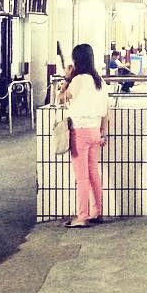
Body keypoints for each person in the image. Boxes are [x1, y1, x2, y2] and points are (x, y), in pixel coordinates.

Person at [59, 42, 110, 227]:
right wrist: (104, 133)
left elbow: (60, 98)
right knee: (94, 174)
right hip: (96, 131)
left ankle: (82, 217)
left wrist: (67, 78)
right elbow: (107, 111)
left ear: (77, 60)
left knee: (82, 177)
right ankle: (98, 212)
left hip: (79, 131)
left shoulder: (78, 80)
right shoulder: (100, 81)